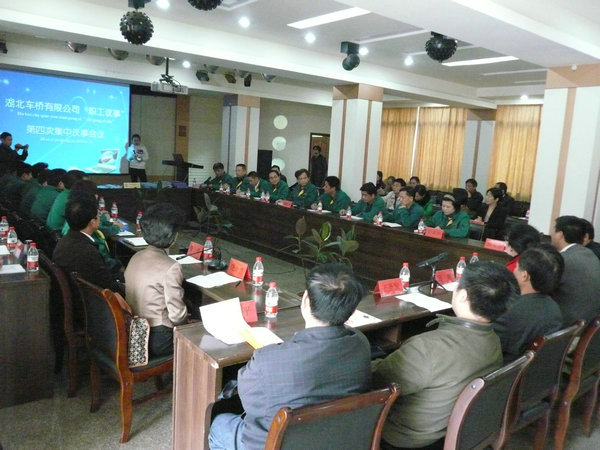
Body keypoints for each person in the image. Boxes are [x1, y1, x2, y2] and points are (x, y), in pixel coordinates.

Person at [209, 263, 371, 450]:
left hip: (276, 443)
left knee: (219, 425)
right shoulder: (361, 344)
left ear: (305, 300)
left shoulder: (269, 359)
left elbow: (249, 403)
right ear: (352, 310)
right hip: (338, 440)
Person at [373, 262, 513, 449]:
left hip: (407, 440)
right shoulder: (493, 340)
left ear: (462, 296)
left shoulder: (427, 348)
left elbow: (377, 382)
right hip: (460, 433)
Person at [125, 203, 188, 356]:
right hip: (158, 339)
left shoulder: (136, 256)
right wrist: (188, 324)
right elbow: (177, 316)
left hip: (134, 330)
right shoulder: (172, 267)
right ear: (173, 236)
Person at [492, 245, 564, 362]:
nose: (514, 270)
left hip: (507, 368)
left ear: (524, 276)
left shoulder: (511, 312)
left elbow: (486, 344)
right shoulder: (554, 308)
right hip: (535, 367)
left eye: (517, 267)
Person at [53, 193, 123, 294]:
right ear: (92, 222)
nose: (100, 217)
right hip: (93, 298)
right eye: (98, 215)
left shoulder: (64, 241)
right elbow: (109, 285)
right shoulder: (87, 251)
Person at [551, 215, 600, 326]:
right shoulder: (590, 254)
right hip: (589, 323)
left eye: (554, 231)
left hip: (567, 324)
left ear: (560, 234)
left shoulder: (563, 260)